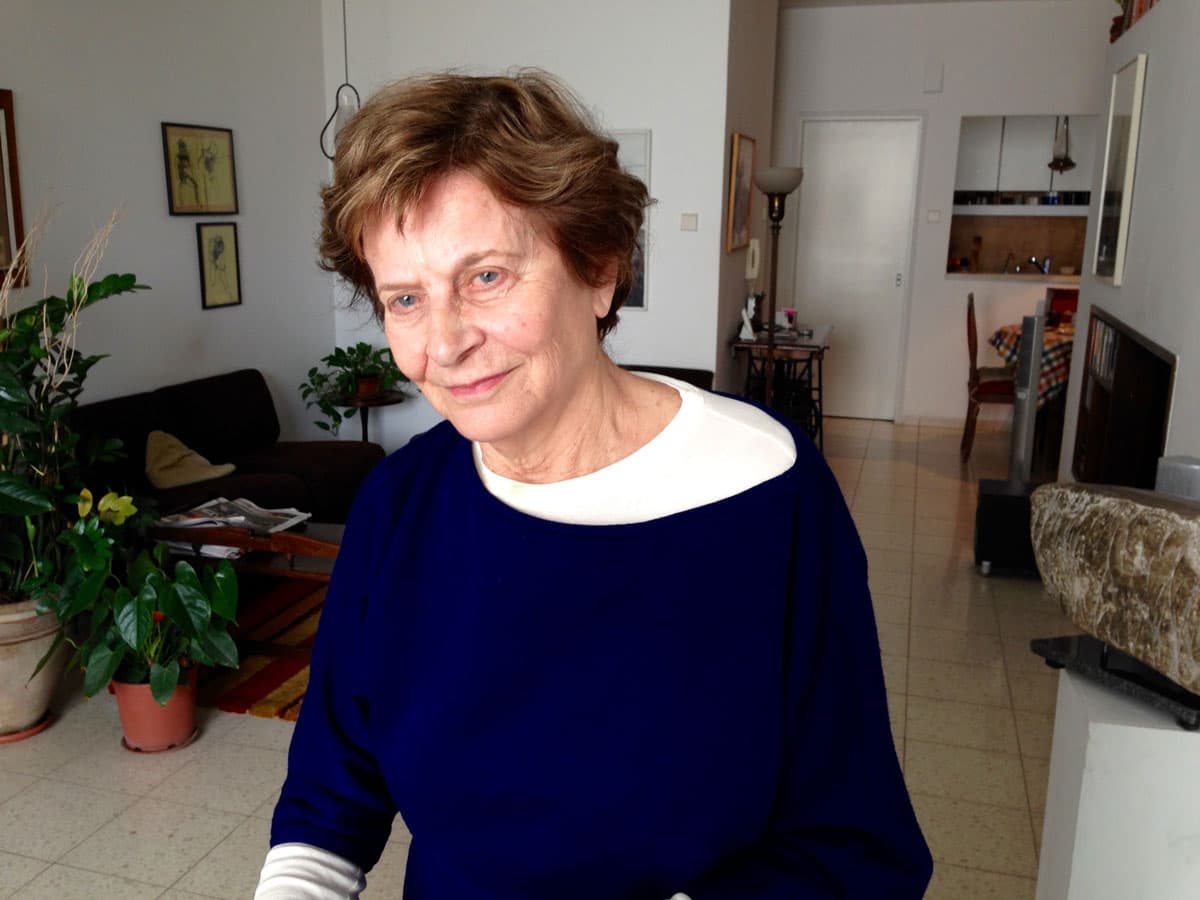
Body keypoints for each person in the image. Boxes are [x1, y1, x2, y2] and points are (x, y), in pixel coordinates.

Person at [257, 70, 931, 899]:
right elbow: (329, 802)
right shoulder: (398, 507)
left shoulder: (770, 493)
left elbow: (854, 847)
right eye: (405, 297)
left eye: (488, 277)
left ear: (601, 268)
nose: (445, 341)